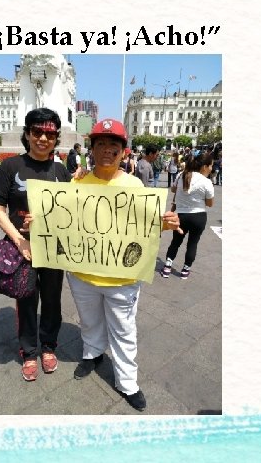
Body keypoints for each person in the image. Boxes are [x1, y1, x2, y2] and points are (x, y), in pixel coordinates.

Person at [67, 118, 180, 411]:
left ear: (123, 151)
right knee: (89, 320)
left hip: (122, 279)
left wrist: (164, 224)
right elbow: (65, 223)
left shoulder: (135, 185)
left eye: (113, 145)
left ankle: (127, 382)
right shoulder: (77, 182)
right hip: (82, 274)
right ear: (91, 149)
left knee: (124, 331)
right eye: (100, 144)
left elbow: (142, 227)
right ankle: (92, 354)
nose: (107, 150)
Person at [0, 108, 71, 382]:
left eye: (49, 133)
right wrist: (20, 239)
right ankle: (29, 351)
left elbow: (69, 209)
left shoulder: (60, 170)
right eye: (37, 132)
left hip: (53, 249)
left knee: (52, 300)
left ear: (56, 137)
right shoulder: (11, 167)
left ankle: (48, 346)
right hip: (22, 248)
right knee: (25, 300)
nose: (43, 138)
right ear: (27, 134)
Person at [162, 151, 215, 279]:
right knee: (193, 243)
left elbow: (173, 189)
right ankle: (185, 270)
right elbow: (210, 203)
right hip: (198, 216)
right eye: (211, 166)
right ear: (204, 167)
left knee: (176, 242)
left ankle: (167, 267)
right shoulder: (206, 182)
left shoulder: (182, 175)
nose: (211, 168)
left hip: (181, 216)